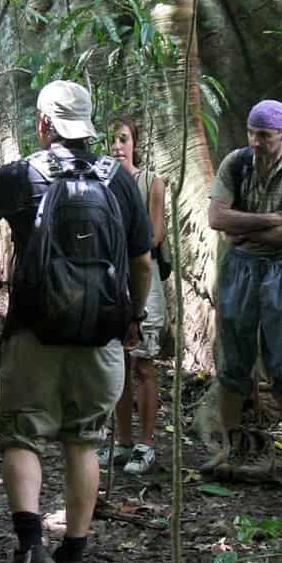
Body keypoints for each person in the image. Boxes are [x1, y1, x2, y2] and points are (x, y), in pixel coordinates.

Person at [0, 80, 153, 563]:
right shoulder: (118, 179)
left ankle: (30, 546)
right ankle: (73, 558)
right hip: (101, 333)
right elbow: (142, 260)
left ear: (43, 123)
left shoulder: (21, 174)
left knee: (20, 434)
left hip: (34, 331)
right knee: (84, 438)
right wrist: (132, 317)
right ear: (89, 126)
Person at [204, 99, 282, 478]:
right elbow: (215, 217)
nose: (255, 142)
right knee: (233, 361)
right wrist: (269, 219)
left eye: (264, 135)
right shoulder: (235, 163)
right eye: (251, 133)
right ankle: (227, 447)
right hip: (239, 268)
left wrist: (243, 228)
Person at [102, 116, 167, 477]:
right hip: (113, 279)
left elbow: (154, 236)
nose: (117, 146)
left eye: (124, 139)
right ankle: (122, 441)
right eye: (113, 140)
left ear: (135, 143)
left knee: (143, 364)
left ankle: (147, 443)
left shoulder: (150, 182)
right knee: (118, 363)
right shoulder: (102, 181)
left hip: (145, 278)